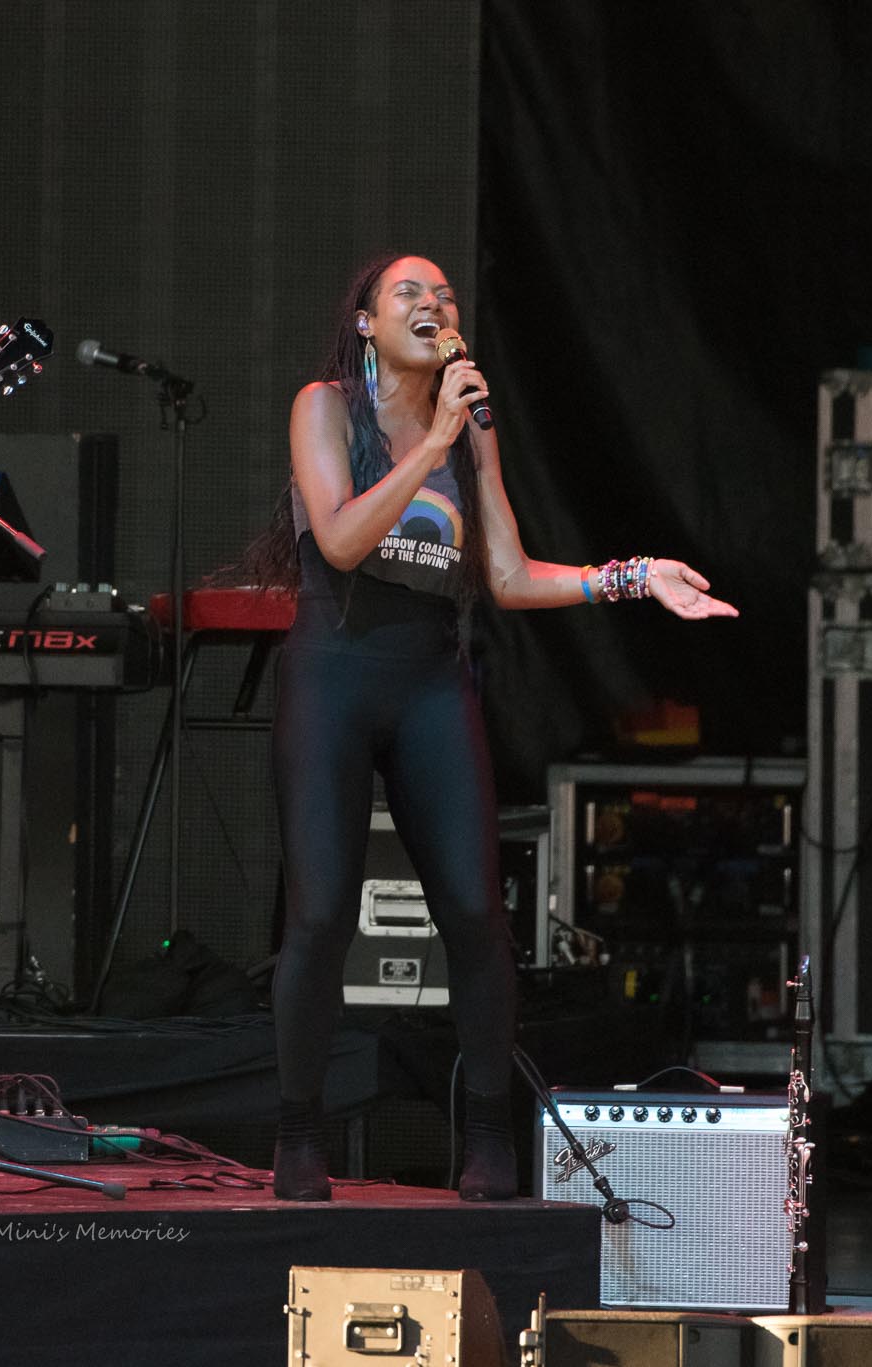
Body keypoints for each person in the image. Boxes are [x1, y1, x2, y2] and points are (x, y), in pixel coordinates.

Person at [257, 254, 736, 1201]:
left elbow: (509, 576)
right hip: (335, 672)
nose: (432, 303)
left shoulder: (472, 429)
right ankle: (300, 1133)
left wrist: (634, 576)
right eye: (408, 292)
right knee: (319, 915)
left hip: (431, 676)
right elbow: (341, 540)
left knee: (478, 914)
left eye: (443, 294)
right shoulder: (327, 408)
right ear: (366, 321)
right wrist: (433, 438)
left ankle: (486, 1135)